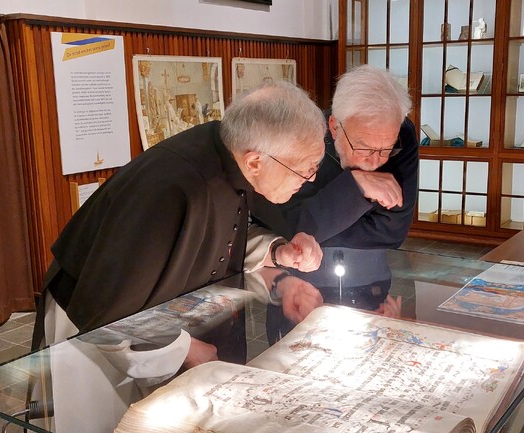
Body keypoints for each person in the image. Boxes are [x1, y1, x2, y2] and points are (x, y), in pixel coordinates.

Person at [32, 81, 327, 370]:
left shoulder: (226, 153)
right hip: (91, 341)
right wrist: (181, 349)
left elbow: (209, 239)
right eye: (304, 169)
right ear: (255, 162)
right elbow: (110, 310)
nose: (310, 179)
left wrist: (277, 252)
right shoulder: (176, 189)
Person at [250, 64, 419, 342]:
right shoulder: (300, 136)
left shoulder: (400, 133)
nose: (374, 162)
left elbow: (391, 232)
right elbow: (281, 228)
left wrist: (318, 221)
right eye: (363, 148)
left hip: (371, 289)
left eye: (385, 150)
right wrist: (356, 186)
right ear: (333, 127)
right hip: (297, 287)